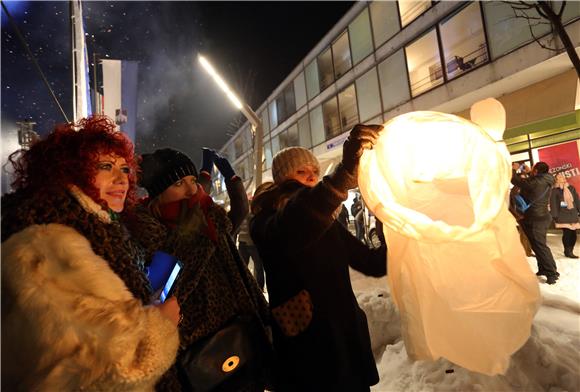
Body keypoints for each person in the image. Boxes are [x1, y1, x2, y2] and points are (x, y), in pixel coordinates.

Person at [1, 116, 179, 391]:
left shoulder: (98, 228)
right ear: (70, 172)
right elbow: (105, 371)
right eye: (106, 167)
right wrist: (161, 325)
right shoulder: (50, 244)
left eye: (125, 169)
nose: (122, 179)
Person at [250, 124, 387, 392]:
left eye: (315, 172)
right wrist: (342, 176)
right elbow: (297, 221)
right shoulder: (265, 221)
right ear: (281, 178)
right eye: (301, 172)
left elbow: (371, 263)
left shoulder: (325, 220)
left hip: (345, 342)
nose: (311, 177)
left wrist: (389, 225)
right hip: (308, 350)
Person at [125, 147, 271, 391]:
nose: (192, 190)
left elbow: (239, 211)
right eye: (179, 183)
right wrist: (194, 232)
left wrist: (230, 179)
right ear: (159, 193)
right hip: (201, 354)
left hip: (243, 334)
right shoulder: (147, 232)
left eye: (193, 181)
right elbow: (163, 291)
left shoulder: (209, 218)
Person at [511, 161, 558, 284]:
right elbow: (534, 182)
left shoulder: (536, 182)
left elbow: (515, 180)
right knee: (537, 245)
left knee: (540, 246)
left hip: (536, 218)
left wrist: (514, 169)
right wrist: (528, 172)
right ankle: (543, 269)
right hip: (539, 217)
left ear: (536, 171)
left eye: (533, 169)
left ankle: (552, 273)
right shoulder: (547, 179)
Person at [550, 172, 580, 258]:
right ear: (556, 179)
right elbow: (553, 204)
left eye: (562, 176)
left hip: (573, 213)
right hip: (562, 214)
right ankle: (567, 251)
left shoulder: (571, 188)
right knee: (567, 233)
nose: (562, 177)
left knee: (573, 234)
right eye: (559, 176)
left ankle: (571, 250)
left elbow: (576, 200)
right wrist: (555, 216)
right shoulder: (555, 190)